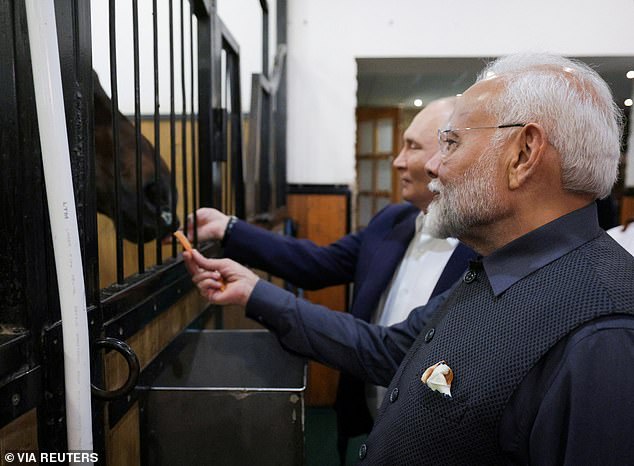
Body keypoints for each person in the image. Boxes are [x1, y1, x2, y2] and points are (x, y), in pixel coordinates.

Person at [184, 52, 634, 464]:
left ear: (523, 154)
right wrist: (251, 285)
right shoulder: (494, 271)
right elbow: (389, 351)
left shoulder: (605, 335)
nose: (433, 166)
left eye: (452, 143)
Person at [184, 98, 476, 460]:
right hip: (373, 423)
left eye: (412, 147)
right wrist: (229, 229)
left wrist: (255, 292)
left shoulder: (483, 252)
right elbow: (316, 263)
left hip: (436, 440)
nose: (397, 160)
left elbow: (389, 350)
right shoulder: (392, 221)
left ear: (449, 152)